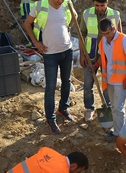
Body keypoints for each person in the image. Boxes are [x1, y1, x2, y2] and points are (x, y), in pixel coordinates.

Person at [24, 0, 77, 134]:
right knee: (50, 87)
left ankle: (63, 109)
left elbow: (74, 16)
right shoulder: (40, 5)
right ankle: (50, 118)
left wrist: (67, 28)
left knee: (66, 81)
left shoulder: (66, 3)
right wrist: (36, 42)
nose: (60, 1)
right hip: (50, 54)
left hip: (67, 51)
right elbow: (27, 24)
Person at [79, 0, 121, 122]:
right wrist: (82, 55)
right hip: (90, 56)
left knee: (107, 84)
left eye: (102, 5)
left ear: (107, 3)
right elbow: (82, 35)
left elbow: (119, 36)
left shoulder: (115, 14)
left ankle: (109, 107)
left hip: (108, 57)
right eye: (97, 5)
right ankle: (89, 109)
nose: (99, 8)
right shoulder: (86, 14)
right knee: (88, 84)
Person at [97, 18, 126, 142]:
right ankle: (122, 130)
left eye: (107, 33)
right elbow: (102, 57)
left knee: (118, 107)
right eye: (103, 33)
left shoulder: (124, 39)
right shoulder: (103, 41)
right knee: (114, 106)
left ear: (114, 29)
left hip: (121, 80)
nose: (106, 36)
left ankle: (119, 134)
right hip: (110, 79)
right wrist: (95, 66)